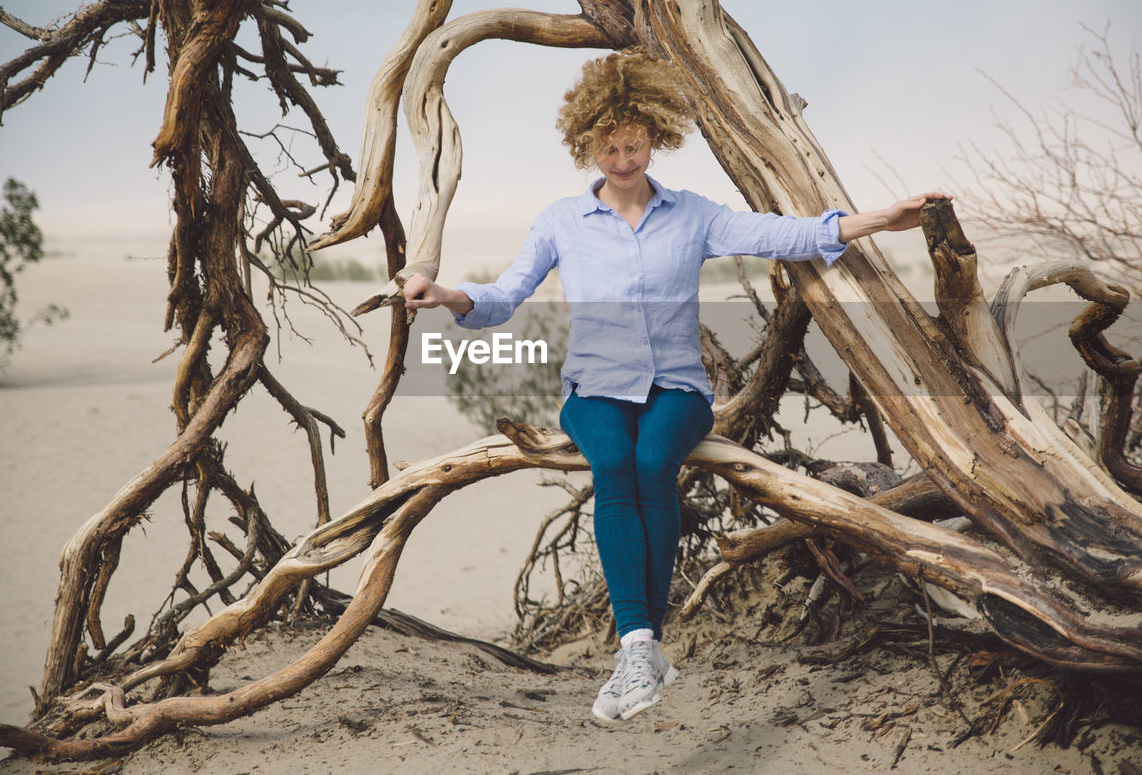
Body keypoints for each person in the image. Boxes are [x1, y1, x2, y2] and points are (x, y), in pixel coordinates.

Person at [402, 49, 945, 723]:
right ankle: (640, 648)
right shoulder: (562, 223)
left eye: (632, 145)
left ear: (655, 138)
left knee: (654, 462)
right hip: (593, 390)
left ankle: (643, 650)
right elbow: (504, 296)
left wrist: (876, 220)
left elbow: (778, 232)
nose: (622, 160)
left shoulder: (693, 215)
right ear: (587, 143)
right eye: (608, 147)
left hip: (677, 390)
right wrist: (445, 293)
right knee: (614, 462)